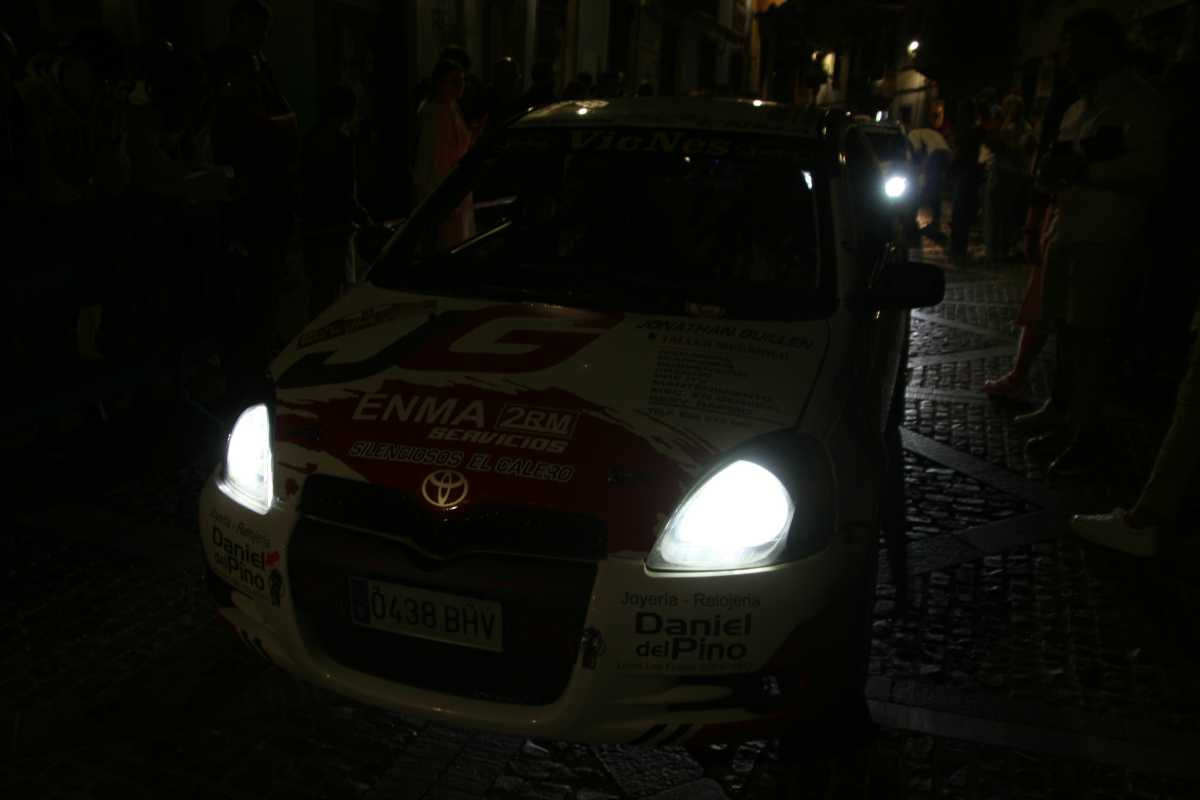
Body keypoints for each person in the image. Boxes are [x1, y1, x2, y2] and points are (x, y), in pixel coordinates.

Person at [1017, 9, 1168, 477]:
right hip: (1068, 228)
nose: (1067, 58)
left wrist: (1086, 170)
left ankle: (1087, 434)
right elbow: (1060, 162)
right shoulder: (1077, 107)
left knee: (1092, 338)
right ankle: (1063, 415)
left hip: (1107, 235)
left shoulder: (1138, 102)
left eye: (1076, 48)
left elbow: (1151, 169)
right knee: (1066, 329)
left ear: (1105, 48)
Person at [981, 75, 1079, 402]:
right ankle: (1030, 380)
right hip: (1059, 216)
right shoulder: (1076, 113)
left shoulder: (1074, 117)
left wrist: (1033, 225)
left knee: (1066, 313)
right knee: (1044, 304)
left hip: (1072, 219)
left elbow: (1041, 168)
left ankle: (1054, 394)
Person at [301, 84, 371, 317]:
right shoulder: (343, 143)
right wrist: (364, 218)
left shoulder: (310, 139)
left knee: (319, 291)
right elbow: (346, 191)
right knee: (337, 293)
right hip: (337, 228)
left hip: (313, 226)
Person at [413, 58, 474, 249]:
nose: (460, 86)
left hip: (457, 184)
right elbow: (435, 156)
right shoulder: (433, 112)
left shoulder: (453, 107)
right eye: (454, 81)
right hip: (442, 185)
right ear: (440, 84)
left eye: (462, 81)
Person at [982, 94, 1036, 265]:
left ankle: (1001, 250)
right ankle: (994, 249)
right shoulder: (1005, 124)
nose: (1009, 110)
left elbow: (1023, 149)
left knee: (1006, 215)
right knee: (994, 213)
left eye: (1011, 107)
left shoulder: (1023, 127)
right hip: (1000, 172)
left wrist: (1005, 145)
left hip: (1012, 174)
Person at [948, 98, 983, 266]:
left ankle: (958, 251)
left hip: (965, 175)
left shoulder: (970, 132)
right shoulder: (972, 131)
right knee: (961, 214)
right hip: (967, 175)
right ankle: (958, 250)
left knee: (960, 214)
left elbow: (960, 154)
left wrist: (951, 168)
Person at [907, 126, 950, 241]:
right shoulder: (928, 132)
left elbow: (917, 151)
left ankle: (930, 225)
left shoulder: (911, 134)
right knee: (935, 190)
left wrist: (917, 171)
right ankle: (935, 223)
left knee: (929, 189)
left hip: (935, 155)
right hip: (946, 154)